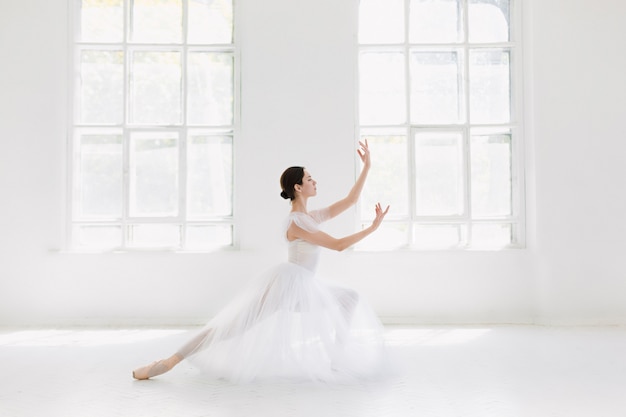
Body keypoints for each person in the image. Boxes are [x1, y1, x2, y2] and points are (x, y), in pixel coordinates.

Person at [132, 140, 390, 383]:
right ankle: (169, 362)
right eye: (310, 179)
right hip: (287, 286)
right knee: (231, 327)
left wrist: (367, 167)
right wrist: (373, 229)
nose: (315, 181)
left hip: (302, 285)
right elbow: (339, 245)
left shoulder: (309, 217)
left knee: (349, 298)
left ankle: (336, 360)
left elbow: (350, 201)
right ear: (298, 187)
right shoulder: (297, 222)